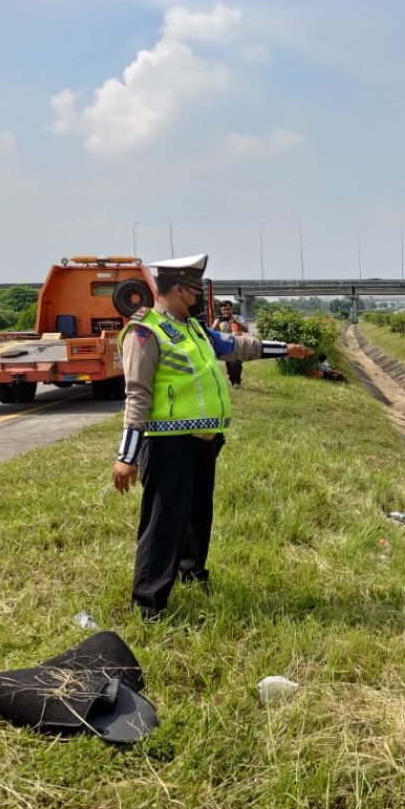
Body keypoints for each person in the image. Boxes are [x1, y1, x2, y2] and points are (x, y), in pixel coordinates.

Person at [111, 254, 313, 619]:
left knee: (197, 515)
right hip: (167, 444)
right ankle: (148, 604)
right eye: (194, 291)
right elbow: (137, 394)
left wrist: (285, 348)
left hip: (202, 442)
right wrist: (127, 456)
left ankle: (192, 573)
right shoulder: (145, 332)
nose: (199, 298)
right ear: (177, 290)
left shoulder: (195, 330)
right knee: (163, 524)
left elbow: (237, 346)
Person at [214, 301, 248, 388]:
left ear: (231, 309)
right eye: (224, 309)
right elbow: (212, 332)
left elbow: (246, 329)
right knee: (229, 366)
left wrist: (236, 322)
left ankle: (237, 382)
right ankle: (233, 379)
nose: (226, 311)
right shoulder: (219, 320)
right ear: (221, 310)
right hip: (226, 346)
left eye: (228, 309)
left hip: (238, 344)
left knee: (237, 363)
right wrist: (216, 323)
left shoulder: (238, 318)